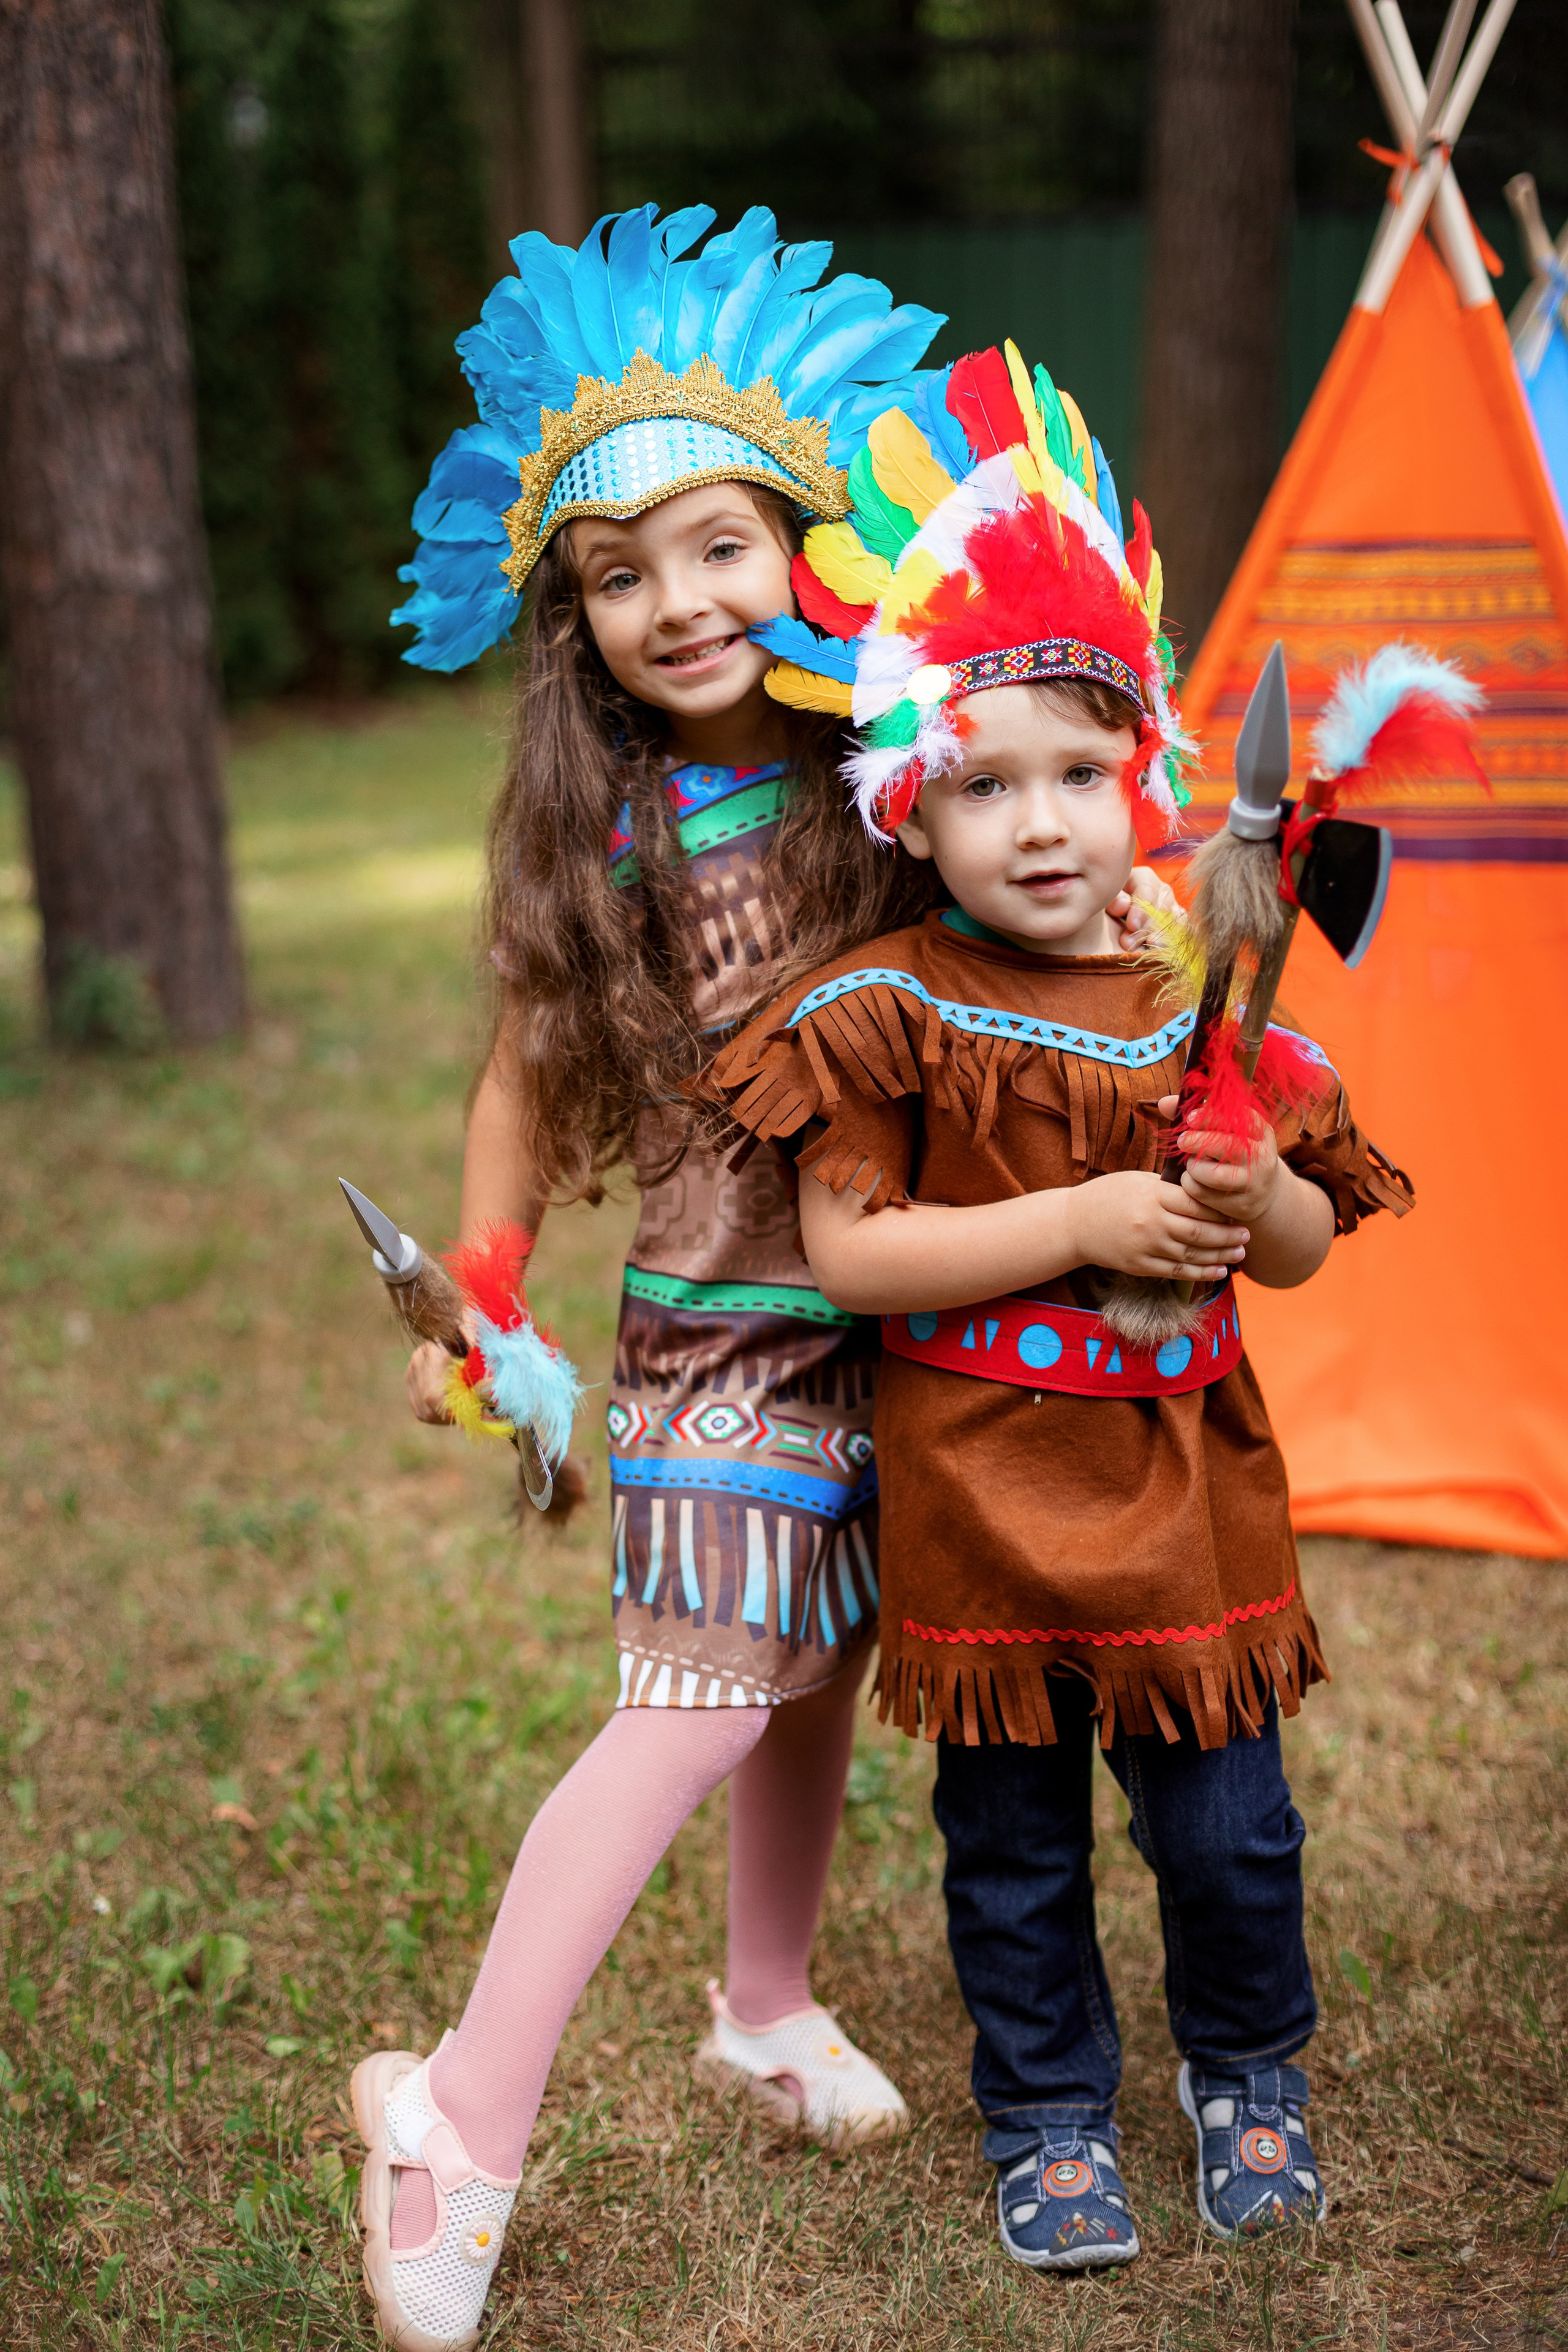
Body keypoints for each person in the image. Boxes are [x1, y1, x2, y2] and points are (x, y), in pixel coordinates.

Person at [347, 214, 1179, 2348]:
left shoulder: (886, 773)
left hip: (912, 1321)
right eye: (618, 578)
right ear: (577, 629)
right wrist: (495, 1277)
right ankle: (454, 2114)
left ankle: (767, 2000)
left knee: (810, 1672)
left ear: (801, 549)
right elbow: (525, 1069)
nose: (675, 603)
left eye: (715, 547)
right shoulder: (620, 837)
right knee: (695, 1700)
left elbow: (1045, 870)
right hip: (722, 1333)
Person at [707, 344, 1415, 2273]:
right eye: (984, 785)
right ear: (908, 815)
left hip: (1185, 1487)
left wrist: (1248, 1186)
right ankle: (1045, 2113)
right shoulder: (895, 1010)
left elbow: (1301, 1257)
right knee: (1010, 1848)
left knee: (1229, 1828)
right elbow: (857, 1261)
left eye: (1084, 775)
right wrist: (1087, 1207)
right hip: (984, 1496)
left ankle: (1245, 2070)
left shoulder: (1209, 990)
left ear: (1148, 779)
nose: (1042, 824)